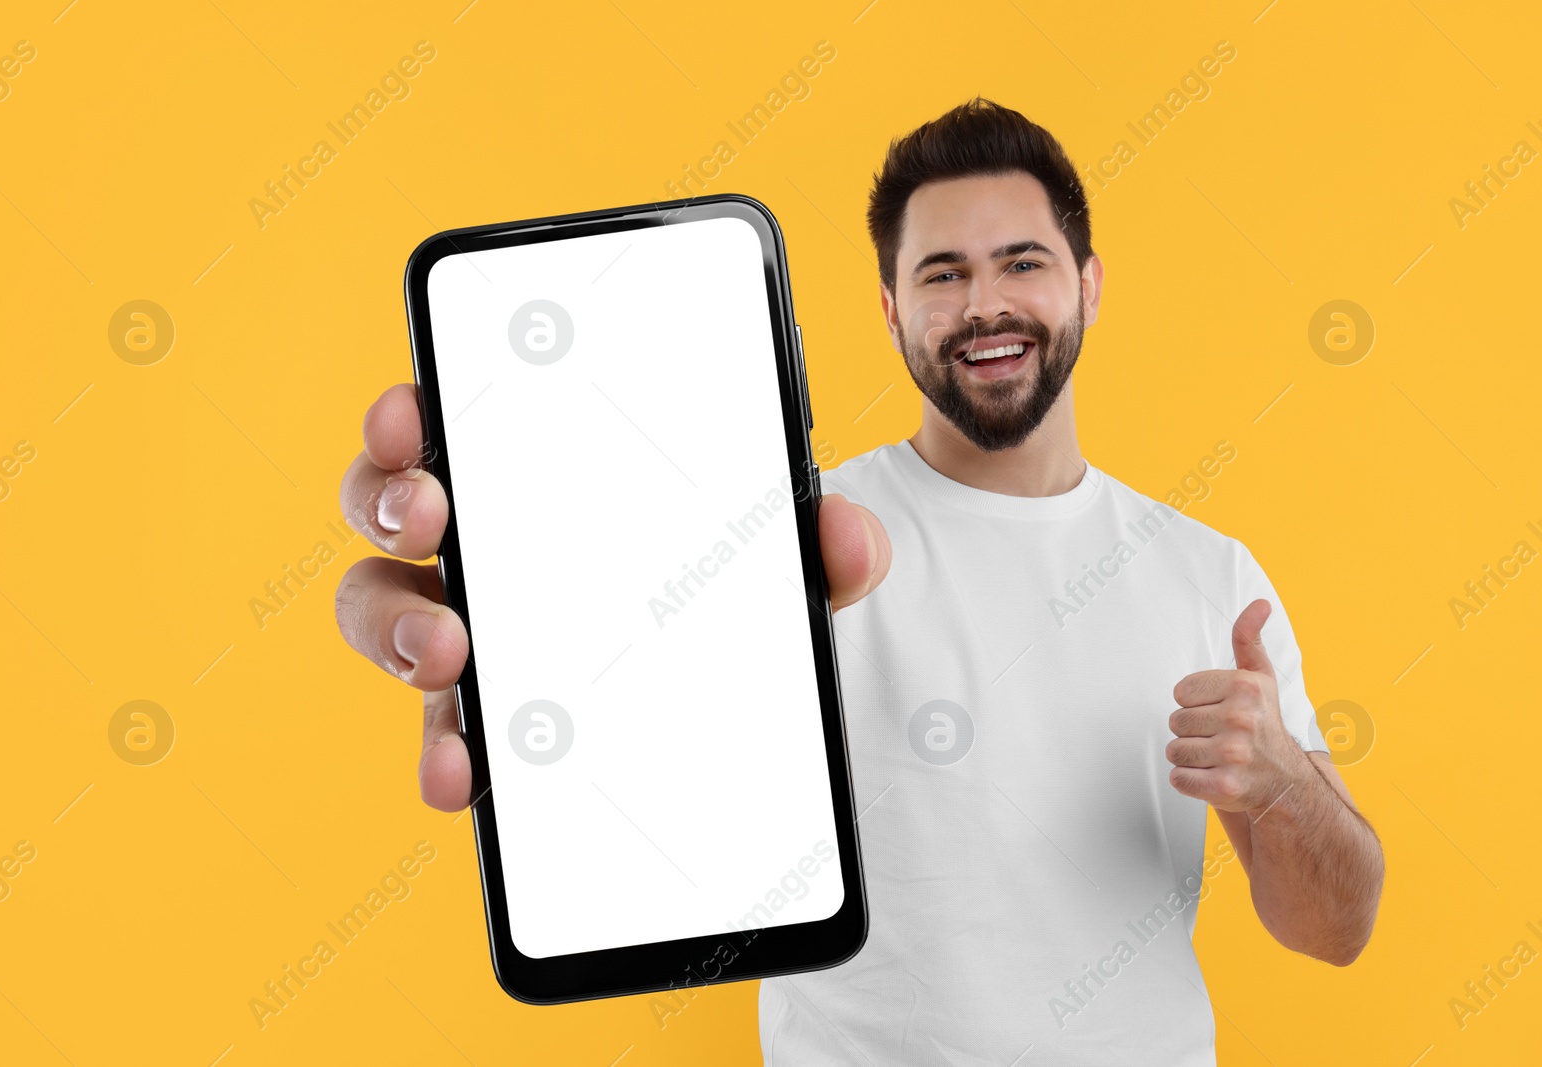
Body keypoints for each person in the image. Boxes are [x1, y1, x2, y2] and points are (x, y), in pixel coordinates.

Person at [335, 97, 1383, 1065]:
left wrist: (1282, 782)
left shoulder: (1208, 574)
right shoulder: (790, 544)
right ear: (889, 309)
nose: (984, 304)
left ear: (1089, 283)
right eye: (942, 274)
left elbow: (1334, 927)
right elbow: (641, 746)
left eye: (1021, 262)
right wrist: (526, 650)